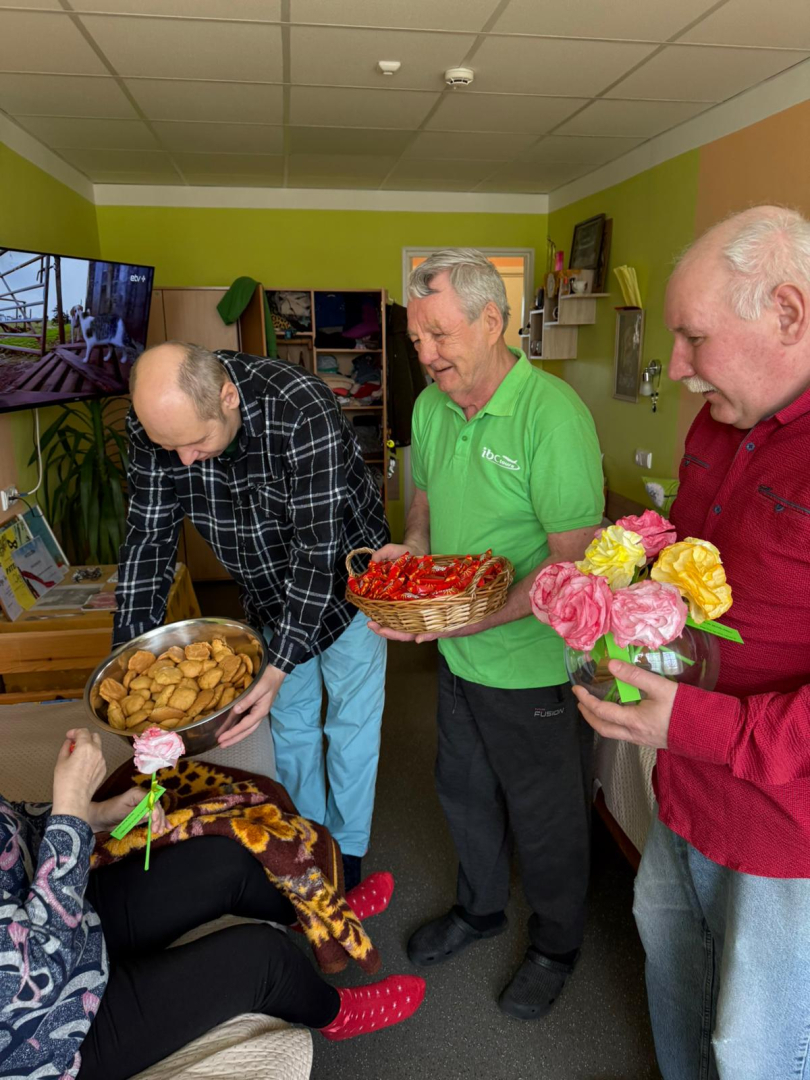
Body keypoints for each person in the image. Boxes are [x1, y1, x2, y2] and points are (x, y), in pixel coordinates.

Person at [573, 206, 810, 1080]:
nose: (672, 366)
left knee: (758, 1049)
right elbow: (685, 556)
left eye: (692, 337)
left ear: (787, 313)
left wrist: (698, 728)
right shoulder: (717, 421)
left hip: (789, 841)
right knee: (675, 981)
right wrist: (617, 591)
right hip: (683, 794)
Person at [370, 249, 604, 1019]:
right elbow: (425, 496)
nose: (426, 354)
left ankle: (557, 942)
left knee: (546, 814)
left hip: (531, 662)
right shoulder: (431, 406)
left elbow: (571, 570)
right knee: (463, 790)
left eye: (439, 335)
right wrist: (411, 550)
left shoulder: (553, 415)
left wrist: (471, 616)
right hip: (458, 655)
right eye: (416, 339)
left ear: (493, 321)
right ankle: (479, 909)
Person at [114, 343, 389, 889]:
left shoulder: (303, 408)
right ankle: (312, 841)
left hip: (348, 579)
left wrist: (278, 666)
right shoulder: (155, 425)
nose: (185, 461)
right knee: (290, 724)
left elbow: (317, 553)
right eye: (171, 448)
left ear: (228, 397)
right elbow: (147, 544)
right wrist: (132, 666)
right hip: (265, 589)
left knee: (351, 722)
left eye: (195, 443)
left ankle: (349, 850)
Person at [0, 728, 425, 1080]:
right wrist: (69, 816)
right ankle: (338, 1016)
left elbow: (12, 829)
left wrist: (94, 815)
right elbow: (32, 974)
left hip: (61, 913)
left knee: (224, 861)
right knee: (261, 960)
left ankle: (318, 919)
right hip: (51, 1029)